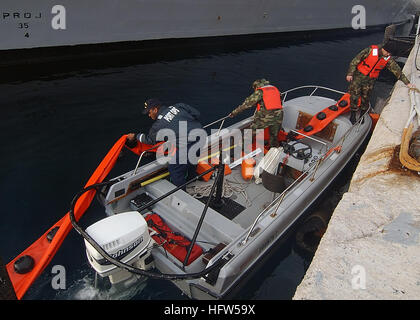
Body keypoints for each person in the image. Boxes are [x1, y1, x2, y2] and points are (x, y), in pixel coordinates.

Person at [127, 98, 204, 189]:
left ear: (155, 109)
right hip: (200, 136)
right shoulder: (179, 105)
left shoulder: (158, 126)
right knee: (191, 160)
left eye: (149, 112)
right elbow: (197, 114)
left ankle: (183, 196)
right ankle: (192, 179)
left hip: (188, 145)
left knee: (174, 169)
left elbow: (150, 140)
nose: (149, 115)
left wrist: (136, 136)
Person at [346, 40, 416, 124]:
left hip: (370, 81)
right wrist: (350, 74)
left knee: (366, 97)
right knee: (354, 96)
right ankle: (353, 114)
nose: (389, 55)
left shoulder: (387, 59)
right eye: (388, 53)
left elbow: (396, 70)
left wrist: (407, 83)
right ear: (384, 49)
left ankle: (362, 114)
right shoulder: (370, 51)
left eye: (390, 54)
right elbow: (354, 61)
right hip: (358, 78)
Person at [229, 79, 283, 148]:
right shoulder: (275, 89)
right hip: (279, 115)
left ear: (257, 86)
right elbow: (279, 101)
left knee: (251, 132)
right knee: (274, 135)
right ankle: (273, 149)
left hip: (265, 117)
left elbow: (247, 104)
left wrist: (234, 113)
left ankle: (241, 147)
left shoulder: (260, 92)